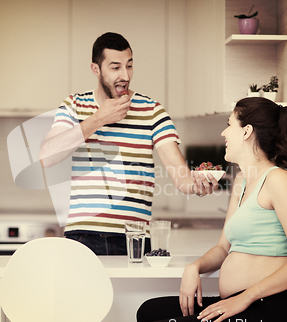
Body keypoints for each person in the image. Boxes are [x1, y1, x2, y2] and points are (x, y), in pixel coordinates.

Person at [134, 97, 287, 322]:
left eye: (229, 124)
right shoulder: (242, 180)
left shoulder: (277, 179)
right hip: (243, 304)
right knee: (149, 311)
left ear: (246, 132)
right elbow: (223, 248)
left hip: (272, 308)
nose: (223, 132)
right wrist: (194, 267)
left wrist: (245, 297)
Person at [39, 32, 217, 255]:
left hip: (134, 238)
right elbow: (47, 156)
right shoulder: (75, 105)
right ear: (96, 70)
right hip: (82, 236)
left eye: (129, 66)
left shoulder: (152, 111)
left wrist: (198, 186)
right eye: (115, 67)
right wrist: (98, 119)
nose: (125, 75)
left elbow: (180, 175)